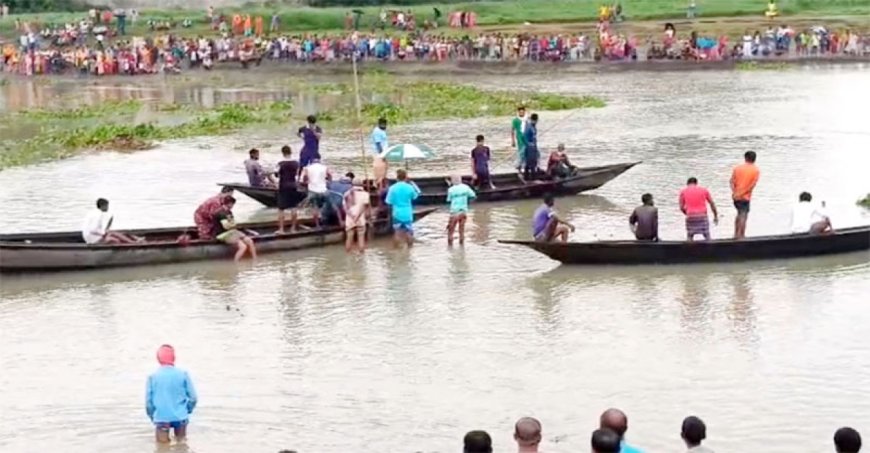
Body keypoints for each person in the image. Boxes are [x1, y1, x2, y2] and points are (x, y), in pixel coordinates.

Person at [146, 345, 197, 444]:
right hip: (180, 417)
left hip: (161, 417)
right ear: (173, 357)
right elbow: (193, 398)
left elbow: (149, 403)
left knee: (162, 447)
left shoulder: (152, 377)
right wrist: (187, 409)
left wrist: (152, 415)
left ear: (159, 358)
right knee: (181, 445)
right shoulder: (183, 374)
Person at [385, 168, 420, 248]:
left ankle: (396, 250)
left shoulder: (392, 188)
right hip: (407, 213)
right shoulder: (409, 187)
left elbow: (388, 202)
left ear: (397, 177)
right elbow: (414, 197)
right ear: (405, 177)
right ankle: (410, 249)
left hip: (397, 213)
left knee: (397, 232)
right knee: (409, 232)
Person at [214, 196, 257, 262]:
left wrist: (232, 225)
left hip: (232, 231)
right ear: (230, 204)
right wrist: (232, 225)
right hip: (223, 234)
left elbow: (232, 223)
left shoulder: (229, 212)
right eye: (232, 204)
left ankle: (255, 260)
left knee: (249, 241)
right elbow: (226, 226)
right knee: (243, 247)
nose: (232, 206)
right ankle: (236, 263)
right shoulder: (221, 213)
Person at [730, 151, 760, 239]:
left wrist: (735, 192)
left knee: (739, 214)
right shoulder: (756, 170)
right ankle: (741, 235)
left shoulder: (737, 168)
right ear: (754, 159)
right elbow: (751, 186)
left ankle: (736, 234)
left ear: (745, 158)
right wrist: (740, 194)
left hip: (736, 197)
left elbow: (731, 181)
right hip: (745, 197)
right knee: (743, 215)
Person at [679, 177, 719, 241]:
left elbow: (681, 207)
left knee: (690, 235)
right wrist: (715, 215)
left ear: (687, 183)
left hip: (690, 216)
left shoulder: (683, 191)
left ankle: (688, 249)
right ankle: (710, 248)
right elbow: (712, 203)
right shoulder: (704, 190)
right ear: (696, 183)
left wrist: (687, 214)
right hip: (702, 216)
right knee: (706, 235)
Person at [300, 158, 333, 228]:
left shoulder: (307, 168)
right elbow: (330, 175)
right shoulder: (325, 167)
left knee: (315, 208)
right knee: (327, 205)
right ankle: (325, 222)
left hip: (313, 190)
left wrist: (305, 182)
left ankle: (317, 225)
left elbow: (304, 177)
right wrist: (329, 182)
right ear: (319, 162)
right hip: (323, 190)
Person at [276, 145, 300, 234]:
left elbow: (276, 174)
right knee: (294, 207)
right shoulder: (296, 163)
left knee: (281, 209)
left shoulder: (280, 163)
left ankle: (281, 229)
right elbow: (298, 174)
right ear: (291, 152)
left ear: (283, 153)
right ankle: (293, 229)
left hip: (283, 186)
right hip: (293, 185)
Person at [446, 174, 477, 246]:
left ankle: (450, 248)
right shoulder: (466, 187)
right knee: (461, 231)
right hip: (463, 211)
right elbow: (473, 195)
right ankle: (462, 245)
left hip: (454, 212)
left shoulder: (451, 190)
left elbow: (448, 200)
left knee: (450, 231)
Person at [343, 178, 372, 253]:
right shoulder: (365, 194)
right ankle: (361, 258)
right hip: (360, 219)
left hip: (350, 220)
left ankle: (348, 257)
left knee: (349, 238)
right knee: (361, 238)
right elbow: (364, 207)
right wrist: (357, 217)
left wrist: (352, 217)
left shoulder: (346, 194)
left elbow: (345, 208)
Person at [371, 117, 390, 188]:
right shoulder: (377, 131)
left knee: (385, 170)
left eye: (385, 124)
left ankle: (382, 185)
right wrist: (382, 155)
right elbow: (378, 144)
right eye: (383, 125)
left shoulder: (382, 131)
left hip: (383, 153)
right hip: (379, 154)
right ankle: (378, 186)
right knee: (379, 171)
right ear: (379, 124)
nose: (385, 126)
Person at [523, 113, 540, 181]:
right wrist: (529, 144)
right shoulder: (529, 127)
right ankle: (532, 178)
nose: (536, 122)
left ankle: (527, 177)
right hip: (530, 148)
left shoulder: (534, 127)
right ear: (534, 120)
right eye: (536, 120)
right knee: (531, 162)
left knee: (532, 162)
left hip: (534, 146)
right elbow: (524, 137)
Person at [511, 105, 527, 174]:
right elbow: (512, 130)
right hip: (520, 138)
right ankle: (519, 167)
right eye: (520, 112)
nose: (521, 113)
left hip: (527, 138)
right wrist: (513, 140)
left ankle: (526, 167)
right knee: (521, 152)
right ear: (518, 112)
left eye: (522, 112)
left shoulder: (527, 119)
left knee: (527, 153)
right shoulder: (515, 120)